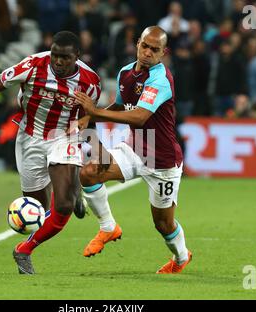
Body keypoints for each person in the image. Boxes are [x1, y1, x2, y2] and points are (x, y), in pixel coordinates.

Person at [0, 31, 100, 275]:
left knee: (62, 206)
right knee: (38, 212)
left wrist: (89, 138)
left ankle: (24, 250)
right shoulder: (32, 65)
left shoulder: (90, 80)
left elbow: (90, 113)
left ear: (77, 57)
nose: (59, 62)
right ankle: (73, 187)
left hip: (63, 136)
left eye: (65, 57)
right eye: (55, 55)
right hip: (29, 138)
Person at [75, 26, 192, 274]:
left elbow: (139, 117)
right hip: (135, 149)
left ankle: (181, 258)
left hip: (162, 161)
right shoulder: (125, 73)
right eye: (145, 46)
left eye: (155, 49)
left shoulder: (161, 79)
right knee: (89, 173)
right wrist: (90, 120)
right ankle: (108, 228)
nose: (148, 52)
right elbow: (120, 105)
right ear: (137, 43)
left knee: (163, 223)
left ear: (164, 52)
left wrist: (94, 112)